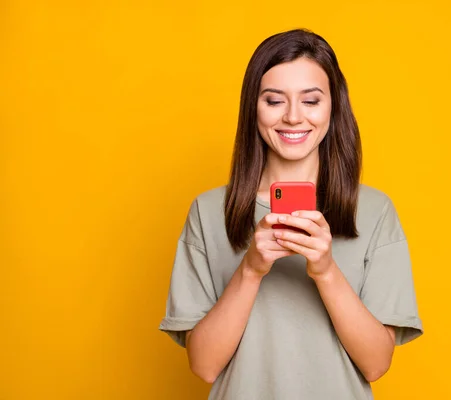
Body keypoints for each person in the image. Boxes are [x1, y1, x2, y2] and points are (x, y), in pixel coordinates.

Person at [159, 28, 423, 400]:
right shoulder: (207, 212)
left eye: (311, 101)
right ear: (254, 106)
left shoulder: (375, 212)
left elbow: (376, 363)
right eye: (274, 100)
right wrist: (250, 269)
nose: (294, 117)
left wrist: (326, 271)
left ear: (333, 107)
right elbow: (204, 366)